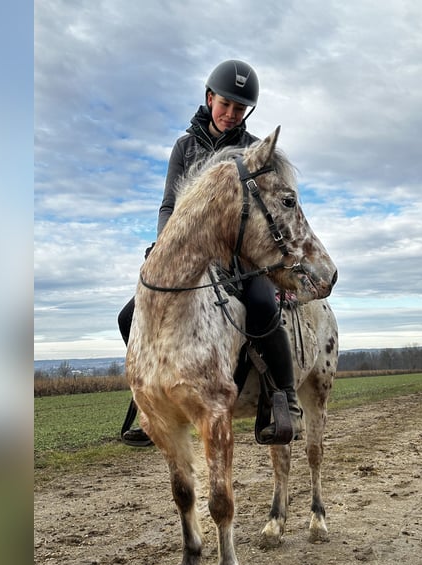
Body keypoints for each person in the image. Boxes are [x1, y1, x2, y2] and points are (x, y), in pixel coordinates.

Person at [118, 59, 303, 446]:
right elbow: (169, 204)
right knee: (129, 316)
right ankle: (153, 402)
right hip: (190, 258)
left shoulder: (253, 151)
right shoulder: (185, 146)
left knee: (264, 307)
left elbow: (266, 211)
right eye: (225, 104)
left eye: (240, 109)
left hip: (238, 259)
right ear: (209, 98)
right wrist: (163, 246)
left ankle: (282, 398)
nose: (231, 114)